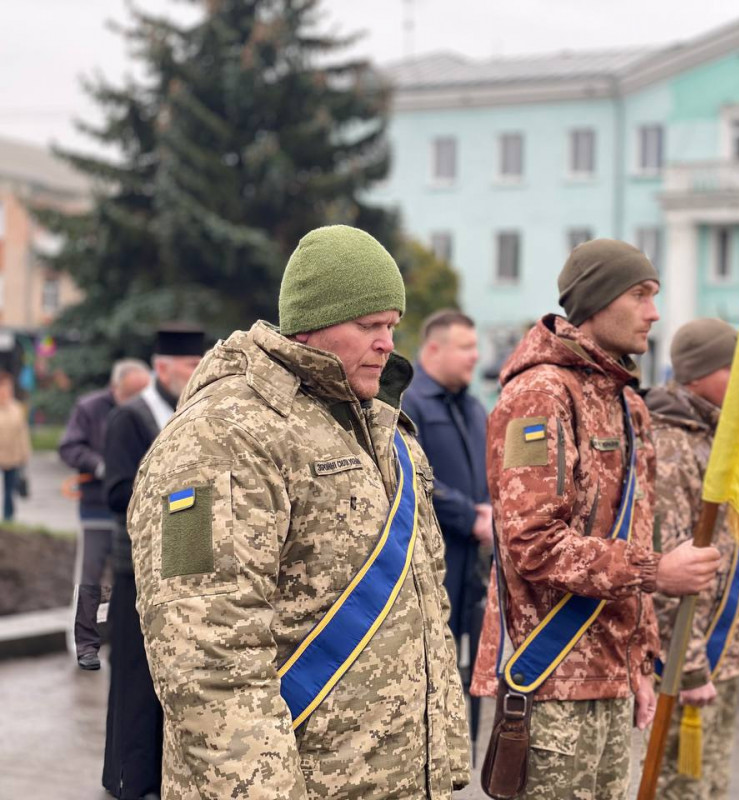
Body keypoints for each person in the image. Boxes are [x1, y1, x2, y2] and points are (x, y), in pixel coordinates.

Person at [127, 226, 469, 799]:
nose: (387, 343)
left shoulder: (385, 431)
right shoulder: (225, 434)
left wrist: (444, 756)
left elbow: (426, 603)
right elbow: (207, 657)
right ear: (311, 324)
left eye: (391, 325)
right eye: (368, 326)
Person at [470, 238, 721, 798]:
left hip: (610, 678)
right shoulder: (540, 394)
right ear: (598, 301)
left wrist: (640, 660)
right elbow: (532, 543)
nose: (654, 313)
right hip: (551, 679)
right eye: (640, 295)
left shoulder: (627, 401)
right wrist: (657, 572)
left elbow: (634, 527)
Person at [646, 318, 739, 800]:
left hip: (722, 646)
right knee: (683, 786)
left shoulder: (711, 434)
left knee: (710, 784)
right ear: (696, 374)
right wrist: (687, 665)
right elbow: (667, 565)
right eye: (732, 367)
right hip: (692, 656)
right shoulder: (670, 442)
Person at [103, 327, 205, 800]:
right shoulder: (131, 419)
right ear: (162, 369)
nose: (196, 373)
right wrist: (183, 498)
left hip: (183, 567)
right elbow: (118, 493)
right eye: (188, 367)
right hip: (136, 573)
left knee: (176, 680)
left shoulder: (196, 416)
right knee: (134, 680)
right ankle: (130, 779)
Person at [401, 309, 490, 747]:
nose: (476, 356)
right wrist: (469, 515)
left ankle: (461, 751)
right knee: (430, 665)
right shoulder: (408, 406)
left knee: (468, 664)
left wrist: (491, 509)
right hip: (431, 563)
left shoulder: (474, 408)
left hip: (472, 566)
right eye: (466, 347)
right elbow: (410, 480)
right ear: (433, 349)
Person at [59, 358, 151, 671]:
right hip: (97, 507)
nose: (138, 399)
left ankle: (114, 639)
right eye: (131, 392)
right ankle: (86, 645)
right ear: (115, 388)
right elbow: (69, 447)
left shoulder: (147, 411)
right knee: (92, 578)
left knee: (121, 579)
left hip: (136, 509)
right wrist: (100, 465)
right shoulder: (89, 408)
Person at [0, 372, 30, 522]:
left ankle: (8, 518)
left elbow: (23, 434)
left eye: (7, 388)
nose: (5, 391)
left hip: (12, 457)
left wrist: (25, 455)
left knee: (9, 491)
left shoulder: (17, 409)